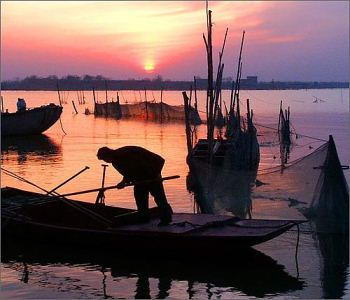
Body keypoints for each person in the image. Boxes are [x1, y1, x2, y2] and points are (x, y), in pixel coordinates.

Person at [97, 146, 173, 226]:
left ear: (108, 154)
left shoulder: (125, 154)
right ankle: (144, 217)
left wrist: (155, 174)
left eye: (104, 159)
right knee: (140, 198)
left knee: (159, 198)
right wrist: (123, 182)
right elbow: (129, 173)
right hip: (139, 180)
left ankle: (166, 218)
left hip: (152, 176)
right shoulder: (115, 162)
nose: (106, 161)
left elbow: (157, 161)